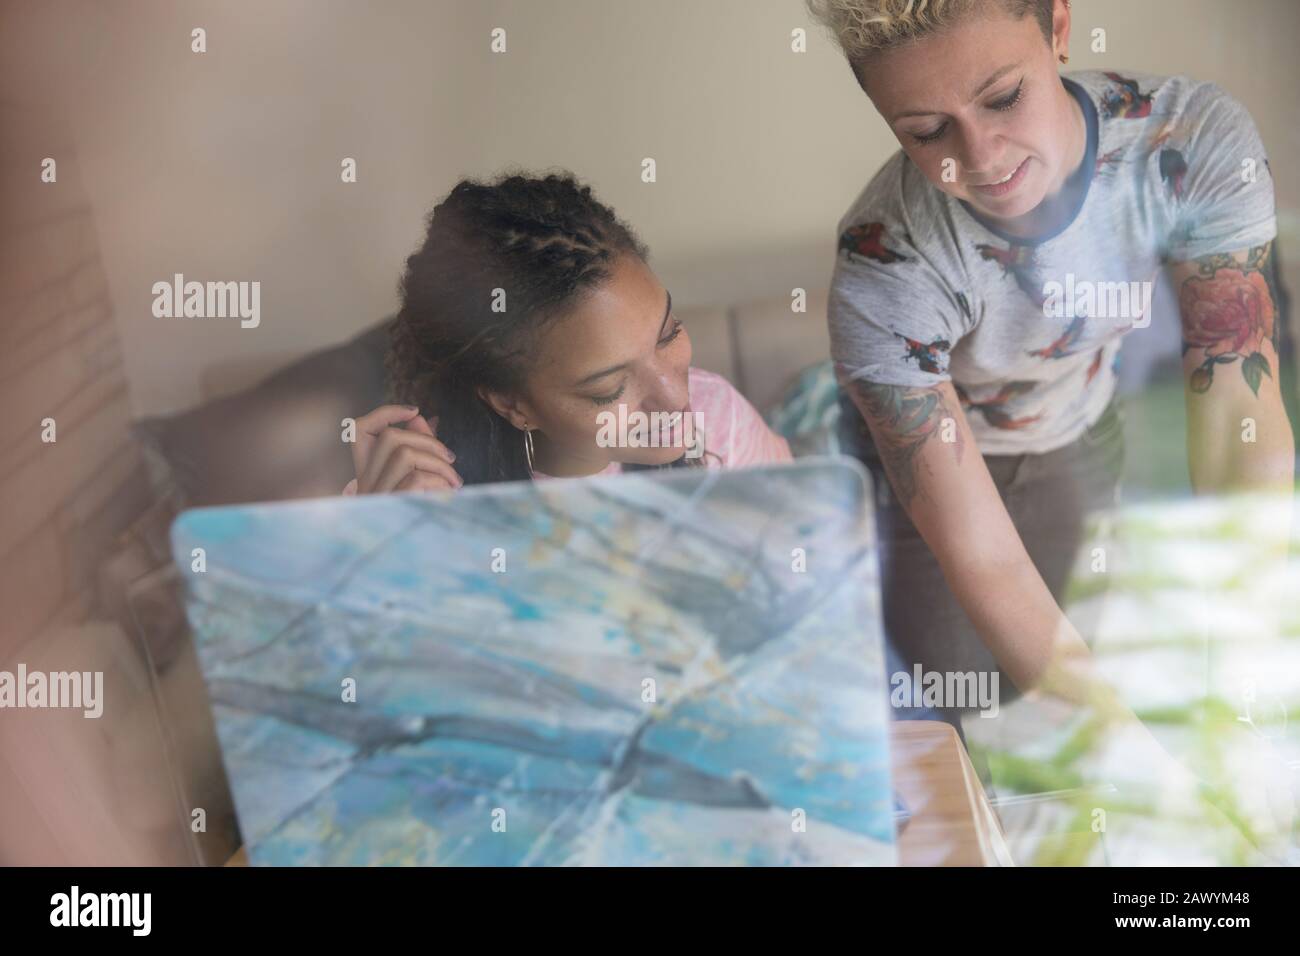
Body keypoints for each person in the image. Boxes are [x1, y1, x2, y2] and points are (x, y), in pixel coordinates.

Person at [805, 0, 1293, 734]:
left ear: (1058, 29)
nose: (982, 158)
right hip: (934, 469)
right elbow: (981, 554)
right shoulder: (886, 263)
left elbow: (1237, 409)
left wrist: (1247, 635)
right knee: (971, 715)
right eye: (927, 131)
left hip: (1083, 420)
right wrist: (1128, 753)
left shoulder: (1195, 141)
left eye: (1004, 97)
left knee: (1090, 662)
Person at [343, 170, 791, 497]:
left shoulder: (717, 420)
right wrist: (384, 536)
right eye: (609, 389)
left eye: (668, 334)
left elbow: (813, 569)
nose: (676, 401)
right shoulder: (422, 492)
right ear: (512, 404)